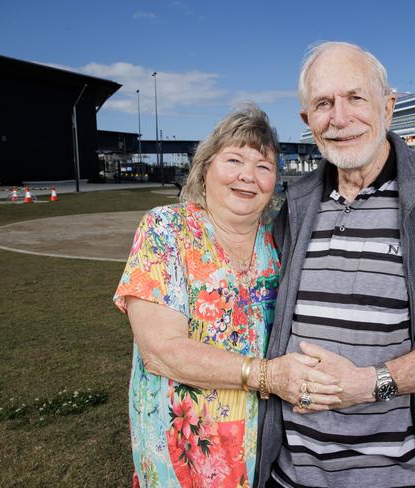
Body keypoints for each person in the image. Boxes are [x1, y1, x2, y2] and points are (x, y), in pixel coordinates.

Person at [255, 43, 415, 488]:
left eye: (356, 98)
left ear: (388, 106)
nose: (340, 117)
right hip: (288, 477)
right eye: (323, 104)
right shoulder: (296, 203)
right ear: (307, 122)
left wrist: (371, 383)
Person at [114, 104, 341, 488]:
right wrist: (267, 375)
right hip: (182, 451)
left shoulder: (278, 243)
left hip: (261, 451)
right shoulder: (166, 230)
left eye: (263, 166)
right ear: (205, 169)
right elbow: (159, 351)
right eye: (234, 159)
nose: (247, 176)